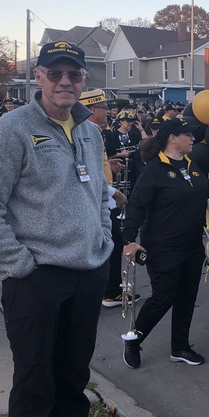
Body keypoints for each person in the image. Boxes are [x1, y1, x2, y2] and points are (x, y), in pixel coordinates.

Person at [0, 41, 113, 417]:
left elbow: (99, 195)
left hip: (88, 272)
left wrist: (103, 238)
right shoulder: (11, 129)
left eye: (73, 74)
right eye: (55, 73)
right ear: (38, 77)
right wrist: (19, 264)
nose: (65, 81)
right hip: (36, 277)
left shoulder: (92, 133)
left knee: (73, 375)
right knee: (34, 379)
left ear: (84, 81)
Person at [121, 118, 209, 369]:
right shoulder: (155, 170)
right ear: (172, 138)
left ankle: (180, 346)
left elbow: (206, 189)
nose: (192, 138)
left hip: (191, 245)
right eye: (187, 135)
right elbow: (136, 205)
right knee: (163, 297)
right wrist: (128, 241)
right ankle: (134, 340)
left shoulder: (192, 165)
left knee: (186, 297)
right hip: (163, 246)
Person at [79, 88, 133, 308]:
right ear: (92, 109)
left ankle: (108, 291)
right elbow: (84, 171)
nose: (108, 112)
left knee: (110, 243)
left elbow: (95, 165)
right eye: (103, 107)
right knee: (110, 245)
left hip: (102, 197)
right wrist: (114, 193)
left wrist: (109, 165)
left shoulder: (90, 131)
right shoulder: (86, 132)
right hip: (100, 198)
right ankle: (110, 292)